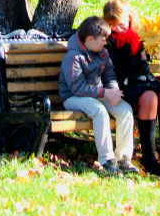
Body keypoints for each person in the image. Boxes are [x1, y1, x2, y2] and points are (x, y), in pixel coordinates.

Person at [103, 0, 160, 176]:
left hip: (146, 79)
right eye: (112, 26)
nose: (118, 29)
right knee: (150, 98)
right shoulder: (109, 42)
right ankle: (149, 158)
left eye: (121, 24)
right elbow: (116, 70)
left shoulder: (140, 32)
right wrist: (138, 58)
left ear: (129, 18)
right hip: (126, 85)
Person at [58, 16, 136, 176]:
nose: (105, 42)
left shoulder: (102, 53)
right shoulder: (73, 57)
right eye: (103, 39)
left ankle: (123, 158)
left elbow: (110, 76)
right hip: (73, 98)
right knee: (99, 111)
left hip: (98, 93)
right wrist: (105, 92)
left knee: (125, 110)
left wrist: (113, 91)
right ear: (90, 39)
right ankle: (107, 161)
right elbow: (77, 88)